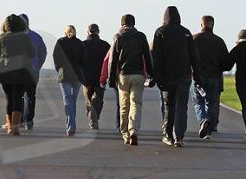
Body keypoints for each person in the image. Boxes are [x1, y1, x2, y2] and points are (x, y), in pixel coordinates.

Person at [151, 6, 200, 147]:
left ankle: (168, 135)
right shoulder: (186, 33)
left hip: (167, 76)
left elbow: (157, 56)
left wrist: (156, 76)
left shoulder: (160, 32)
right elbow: (194, 56)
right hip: (184, 74)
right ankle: (179, 136)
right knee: (181, 106)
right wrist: (197, 75)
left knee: (169, 106)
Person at [109, 14, 154, 145]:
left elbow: (113, 60)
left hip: (123, 76)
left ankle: (125, 134)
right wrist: (151, 74)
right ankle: (133, 130)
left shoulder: (118, 37)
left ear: (122, 24)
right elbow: (147, 56)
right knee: (136, 103)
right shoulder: (141, 37)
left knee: (124, 106)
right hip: (138, 75)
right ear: (134, 23)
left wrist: (111, 78)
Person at [0, 14, 36, 136]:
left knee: (9, 98)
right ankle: (15, 128)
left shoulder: (2, 37)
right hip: (21, 71)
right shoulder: (25, 37)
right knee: (18, 98)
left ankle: (9, 127)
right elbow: (32, 53)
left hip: (6, 71)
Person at [192, 16, 231, 139]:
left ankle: (203, 120)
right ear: (213, 25)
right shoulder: (219, 41)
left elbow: (189, 57)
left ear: (201, 24)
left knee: (198, 101)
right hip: (214, 77)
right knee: (212, 103)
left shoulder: (194, 39)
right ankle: (209, 127)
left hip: (198, 76)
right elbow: (226, 62)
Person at [53, 25, 85, 137]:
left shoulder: (60, 42)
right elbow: (83, 60)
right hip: (77, 74)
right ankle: (72, 125)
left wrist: (59, 70)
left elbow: (56, 58)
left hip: (64, 74)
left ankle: (70, 126)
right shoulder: (80, 43)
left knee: (67, 101)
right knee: (73, 101)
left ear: (65, 32)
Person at [18, 13, 47, 130]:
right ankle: (28, 121)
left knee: (19, 95)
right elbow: (43, 53)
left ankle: (20, 120)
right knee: (30, 96)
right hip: (33, 70)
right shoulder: (36, 37)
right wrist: (38, 66)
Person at [82, 24, 111, 130]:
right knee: (98, 100)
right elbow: (109, 62)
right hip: (100, 77)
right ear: (98, 32)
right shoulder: (105, 45)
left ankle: (92, 119)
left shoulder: (83, 45)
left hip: (86, 79)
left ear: (88, 32)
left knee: (89, 101)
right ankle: (94, 119)